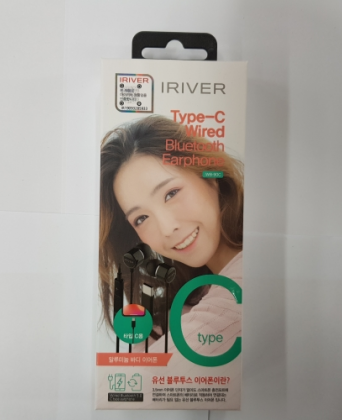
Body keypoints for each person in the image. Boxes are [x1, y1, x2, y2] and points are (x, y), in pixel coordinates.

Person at [99, 115, 243, 352]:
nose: (167, 229)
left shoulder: (249, 273)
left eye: (171, 193)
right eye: (141, 218)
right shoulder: (176, 313)